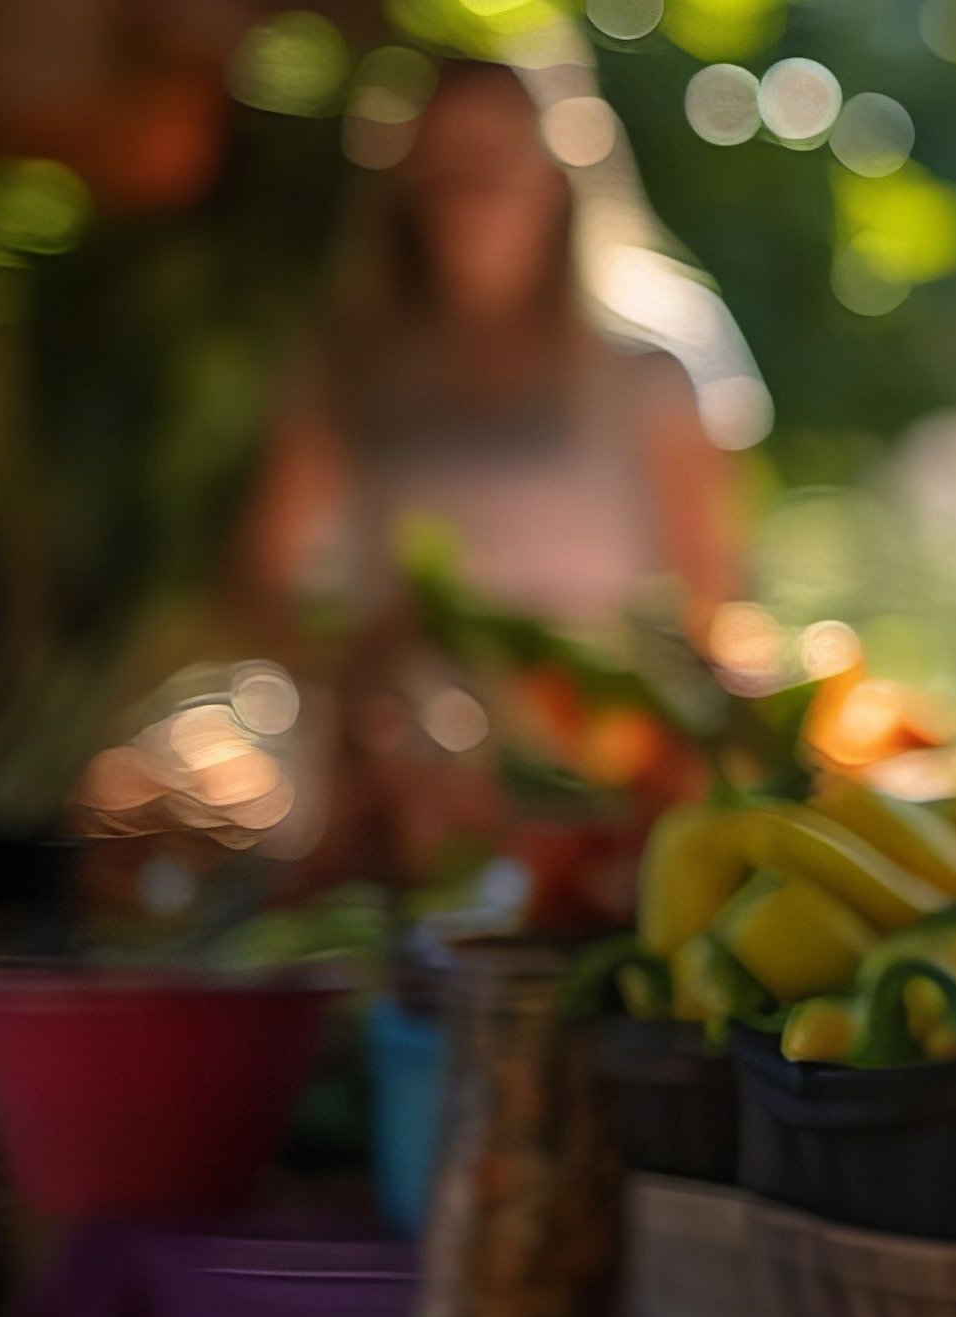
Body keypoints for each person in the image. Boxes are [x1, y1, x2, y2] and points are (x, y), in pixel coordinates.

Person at [230, 59, 736, 884]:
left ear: (558, 173)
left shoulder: (649, 379)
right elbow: (261, 580)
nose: (466, 187)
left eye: (495, 156)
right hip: (398, 804)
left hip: (595, 815)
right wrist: (360, 671)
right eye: (442, 160)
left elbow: (707, 617)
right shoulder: (348, 368)